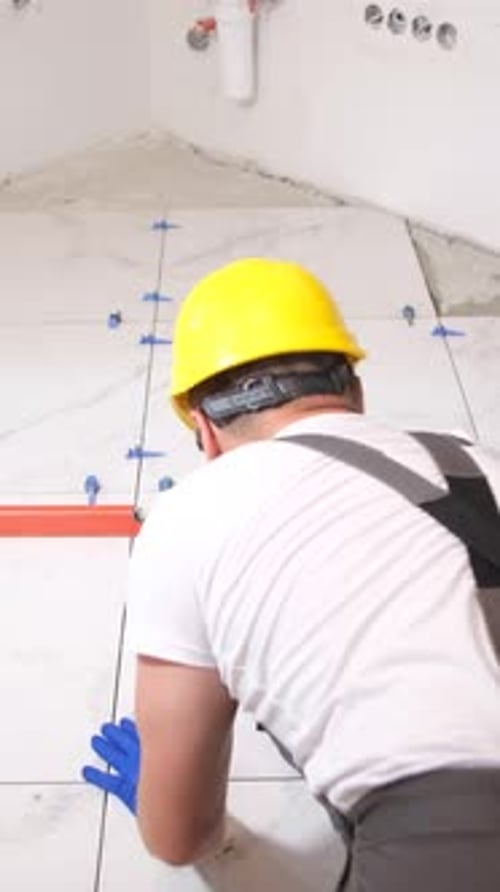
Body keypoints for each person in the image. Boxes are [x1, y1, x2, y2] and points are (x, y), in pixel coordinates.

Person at [83, 258, 500, 890]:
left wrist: (161, 801)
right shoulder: (473, 457)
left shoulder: (190, 515)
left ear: (205, 432)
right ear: (353, 393)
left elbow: (181, 838)